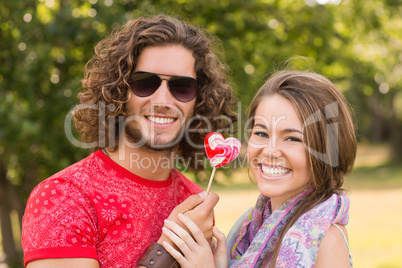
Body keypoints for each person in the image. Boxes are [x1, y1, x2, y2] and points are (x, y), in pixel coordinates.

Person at [21, 15, 237, 268]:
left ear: (199, 101)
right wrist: (168, 248)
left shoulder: (194, 202)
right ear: (116, 91)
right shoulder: (63, 197)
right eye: (145, 82)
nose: (163, 101)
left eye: (182, 86)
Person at [160, 70, 356, 267]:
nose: (270, 151)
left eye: (292, 138)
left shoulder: (326, 240)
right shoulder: (248, 227)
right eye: (261, 133)